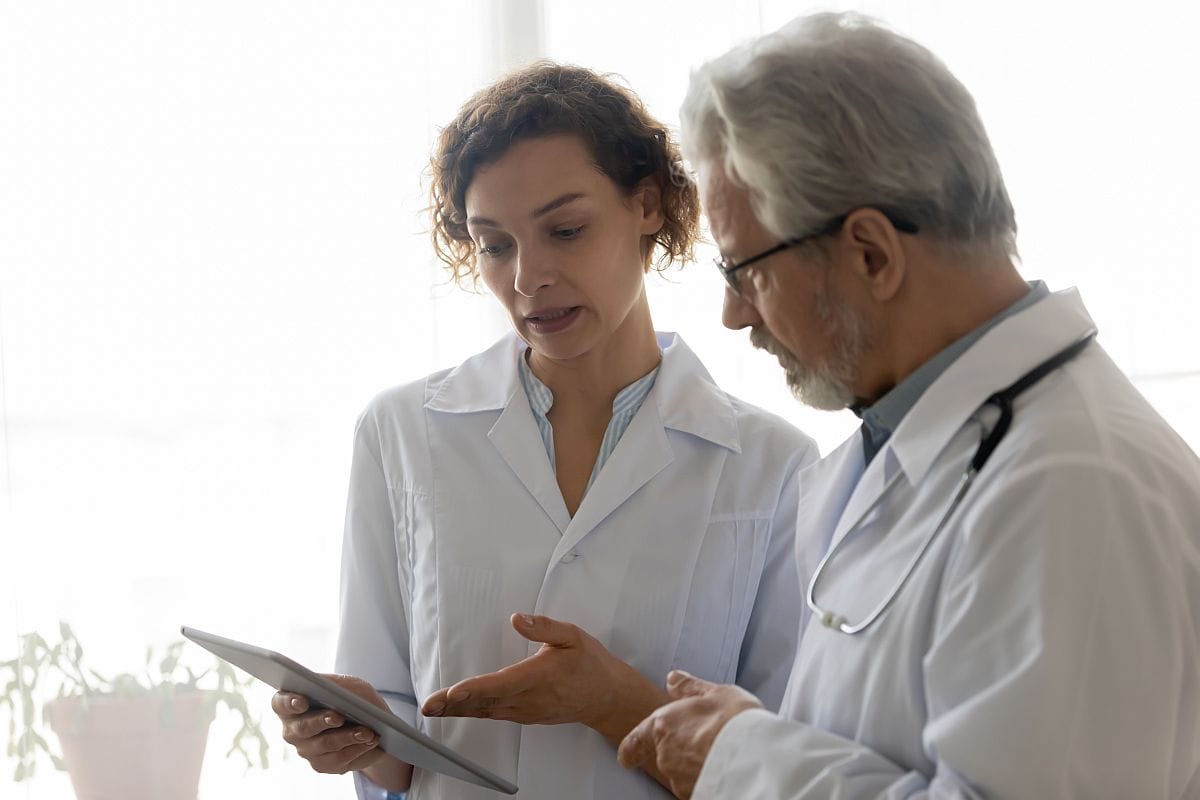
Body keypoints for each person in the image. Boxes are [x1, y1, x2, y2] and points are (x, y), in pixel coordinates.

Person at [618, 12, 1200, 799]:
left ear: (871, 253)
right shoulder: (918, 441)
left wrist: (743, 763)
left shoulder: (1074, 488)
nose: (734, 315)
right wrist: (756, 741)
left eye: (744, 271)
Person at [271, 63, 818, 799]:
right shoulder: (400, 433)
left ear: (648, 204)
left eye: (566, 230)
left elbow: (781, 775)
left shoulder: (773, 468)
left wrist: (612, 702)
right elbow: (404, 755)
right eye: (495, 245)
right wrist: (359, 738)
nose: (529, 278)